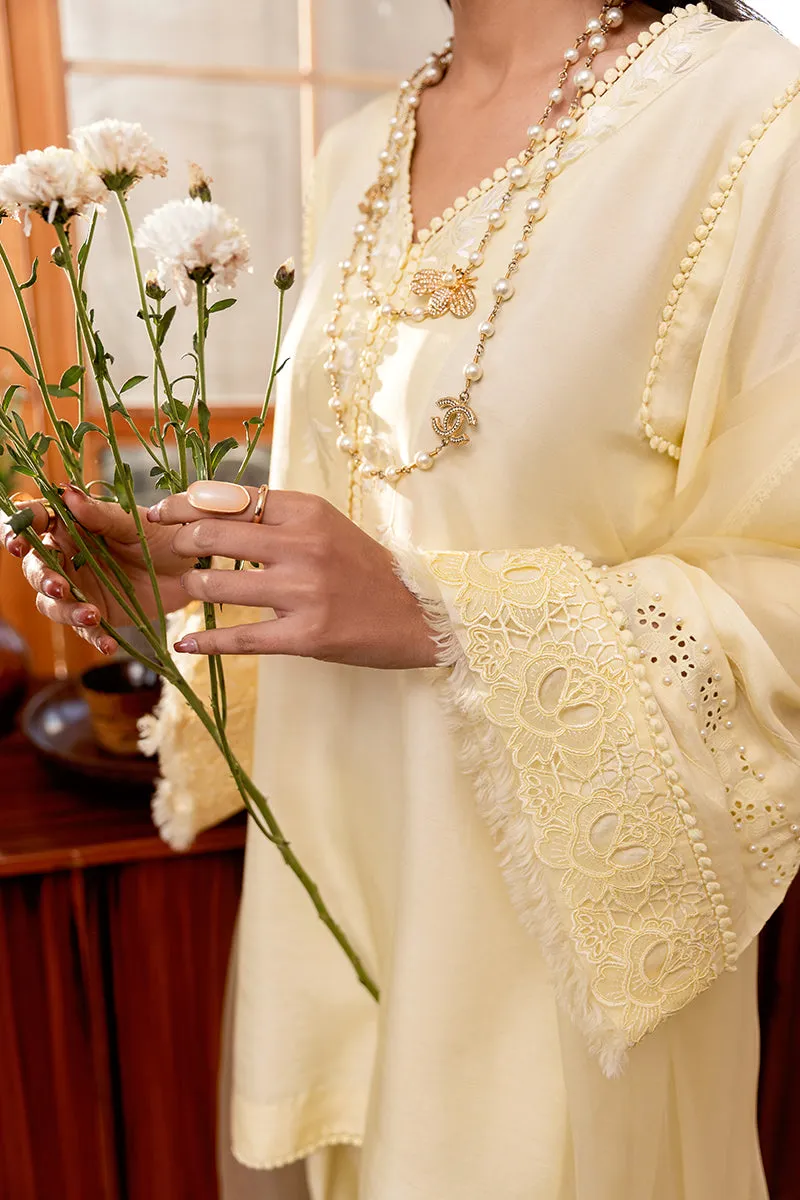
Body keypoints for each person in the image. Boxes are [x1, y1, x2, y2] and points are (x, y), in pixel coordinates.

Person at [5, 0, 800, 1196]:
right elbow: (356, 518)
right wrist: (192, 591)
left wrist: (444, 614)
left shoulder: (753, 119)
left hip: (555, 982)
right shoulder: (356, 150)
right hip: (336, 910)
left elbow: (779, 588)